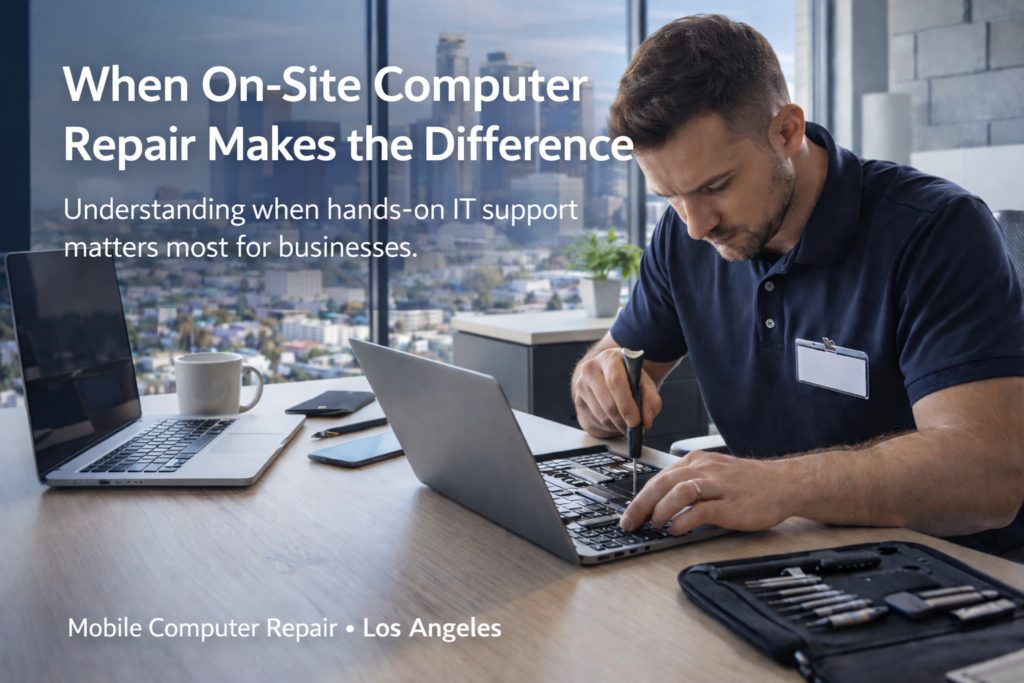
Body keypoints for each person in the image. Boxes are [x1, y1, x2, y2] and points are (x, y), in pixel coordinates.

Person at [571, 14, 1024, 557]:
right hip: (779, 554)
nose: (696, 224)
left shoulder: (936, 230)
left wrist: (780, 485)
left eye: (716, 186)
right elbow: (617, 357)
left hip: (951, 573)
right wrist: (597, 386)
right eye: (669, 196)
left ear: (787, 131)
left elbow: (987, 476)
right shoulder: (684, 235)